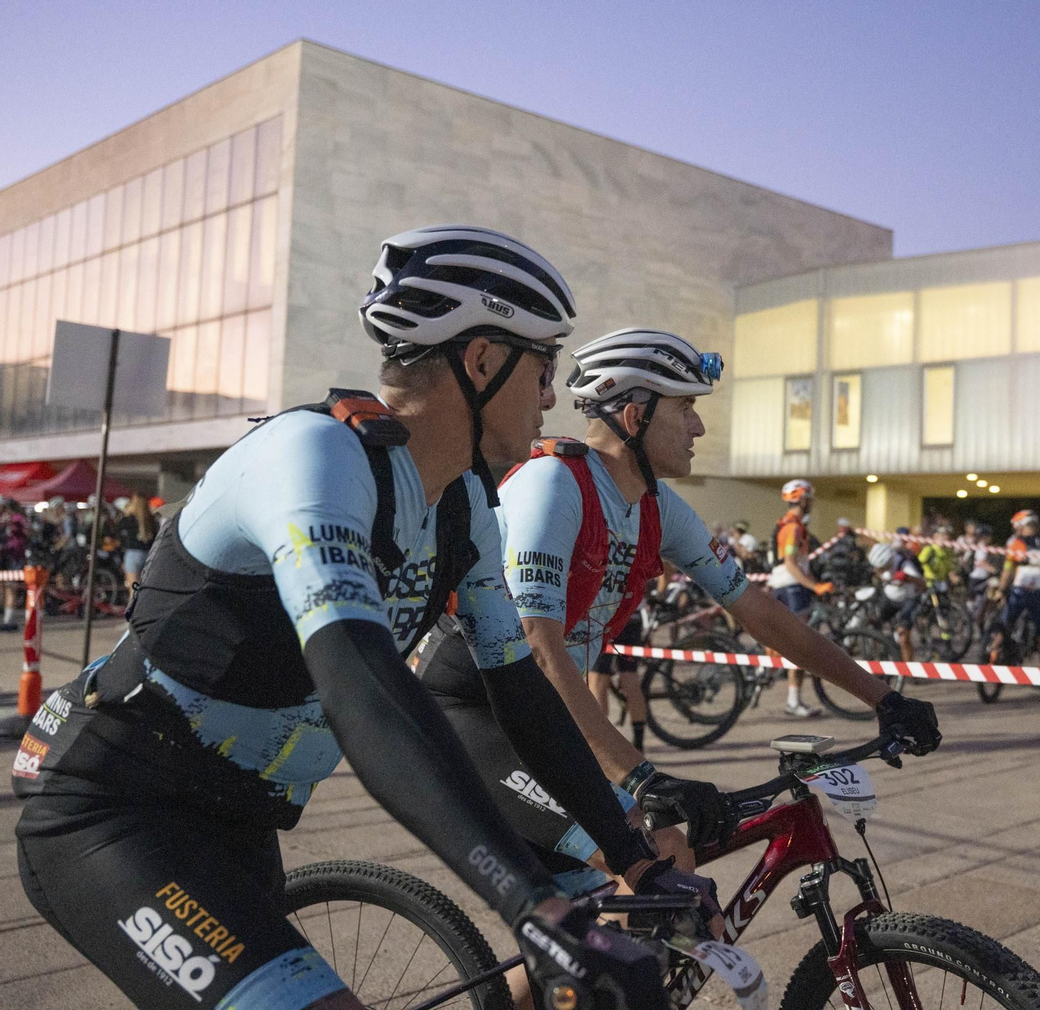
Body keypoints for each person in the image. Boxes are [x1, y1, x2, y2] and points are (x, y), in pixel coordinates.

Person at [11, 226, 682, 1010]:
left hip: (241, 823)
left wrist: (630, 851)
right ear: (482, 360)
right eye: (544, 365)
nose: (549, 395)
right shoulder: (315, 456)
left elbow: (522, 693)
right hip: (115, 809)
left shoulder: (465, 500)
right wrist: (527, 903)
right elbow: (361, 688)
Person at [414, 328, 940, 887]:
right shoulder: (555, 484)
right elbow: (539, 650)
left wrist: (882, 698)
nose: (699, 427)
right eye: (686, 407)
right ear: (636, 416)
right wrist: (639, 777)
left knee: (631, 907)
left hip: (544, 713)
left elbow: (760, 612)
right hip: (472, 707)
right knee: (649, 864)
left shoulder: (656, 506)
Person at [764, 478, 833, 716]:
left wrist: (817, 583)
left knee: (787, 642)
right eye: (810, 498)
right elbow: (791, 565)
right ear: (802, 498)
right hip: (791, 588)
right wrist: (815, 587)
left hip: (787, 586)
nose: (811, 503)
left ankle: (776, 680)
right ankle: (793, 701)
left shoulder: (793, 524)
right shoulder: (792, 528)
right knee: (799, 645)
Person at [987, 510, 1040, 665]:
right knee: (1003, 623)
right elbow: (1008, 569)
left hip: (1038, 593)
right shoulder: (1017, 544)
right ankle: (992, 655)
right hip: (1019, 592)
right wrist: (1001, 590)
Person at [116, 492, 157, 596]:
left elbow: (120, 538)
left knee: (133, 590)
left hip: (132, 554)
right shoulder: (150, 519)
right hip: (148, 554)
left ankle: (132, 611)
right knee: (146, 590)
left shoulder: (128, 519)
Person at [0, 498, 29, 630]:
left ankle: (8, 620)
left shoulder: (17, 518)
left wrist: (15, 525)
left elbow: (28, 531)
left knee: (11, 588)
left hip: (14, 557)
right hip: (4, 557)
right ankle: (6, 618)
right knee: (4, 590)